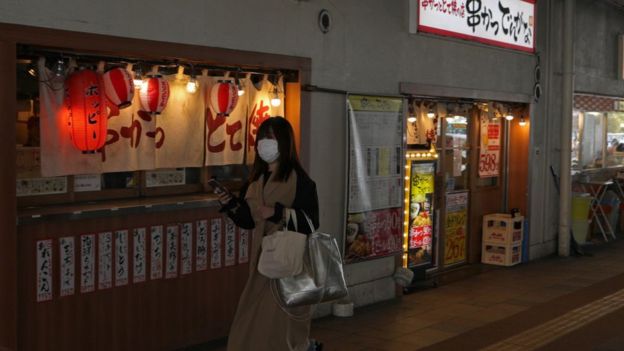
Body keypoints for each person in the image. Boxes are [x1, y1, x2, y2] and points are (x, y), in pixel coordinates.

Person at [217, 117, 321, 351]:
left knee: (282, 321)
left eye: (271, 138)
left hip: (289, 262)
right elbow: (248, 221)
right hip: (261, 262)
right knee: (252, 319)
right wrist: (231, 204)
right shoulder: (255, 181)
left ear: (284, 142)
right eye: (262, 138)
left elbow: (311, 222)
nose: (265, 143)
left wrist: (277, 213)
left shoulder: (300, 181)